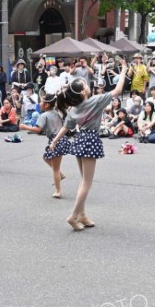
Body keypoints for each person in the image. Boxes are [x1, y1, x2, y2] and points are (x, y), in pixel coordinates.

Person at [49, 59, 128, 231]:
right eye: (85, 84)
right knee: (87, 182)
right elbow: (118, 90)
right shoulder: (96, 101)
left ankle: (82, 215)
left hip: (79, 140)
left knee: (83, 181)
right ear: (84, 91)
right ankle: (73, 216)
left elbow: (65, 128)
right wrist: (123, 71)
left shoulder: (74, 110)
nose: (87, 85)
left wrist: (54, 142)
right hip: (90, 140)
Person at [20, 93, 70, 198]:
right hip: (61, 139)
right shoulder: (56, 112)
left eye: (42, 102)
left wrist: (25, 127)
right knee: (46, 157)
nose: (39, 104)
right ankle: (60, 175)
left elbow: (38, 129)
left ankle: (58, 191)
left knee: (55, 168)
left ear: (46, 105)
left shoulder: (43, 115)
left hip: (55, 141)